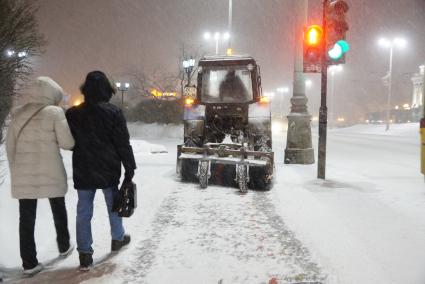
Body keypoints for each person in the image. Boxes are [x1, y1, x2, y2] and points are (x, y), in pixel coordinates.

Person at [66, 71, 136, 271]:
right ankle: (117, 238)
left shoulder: (72, 114)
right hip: (108, 167)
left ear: (85, 90)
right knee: (114, 205)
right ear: (107, 89)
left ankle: (85, 254)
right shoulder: (114, 113)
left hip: (84, 167)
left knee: (83, 210)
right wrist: (129, 167)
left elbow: (69, 143)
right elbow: (123, 143)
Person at [5, 77, 75, 277]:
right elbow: (67, 143)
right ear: (52, 94)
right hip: (51, 171)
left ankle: (29, 263)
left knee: (26, 219)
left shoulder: (18, 114)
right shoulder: (55, 113)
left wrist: (17, 169)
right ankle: (63, 245)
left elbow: (10, 147)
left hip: (24, 174)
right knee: (58, 209)